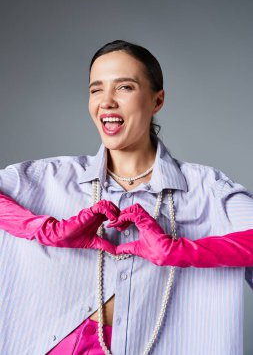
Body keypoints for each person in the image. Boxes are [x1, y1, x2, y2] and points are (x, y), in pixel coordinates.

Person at [0, 40, 253, 355]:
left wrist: (185, 250)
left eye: (124, 88)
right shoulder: (44, 179)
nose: (106, 101)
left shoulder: (207, 189)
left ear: (157, 100)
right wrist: (41, 228)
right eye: (96, 90)